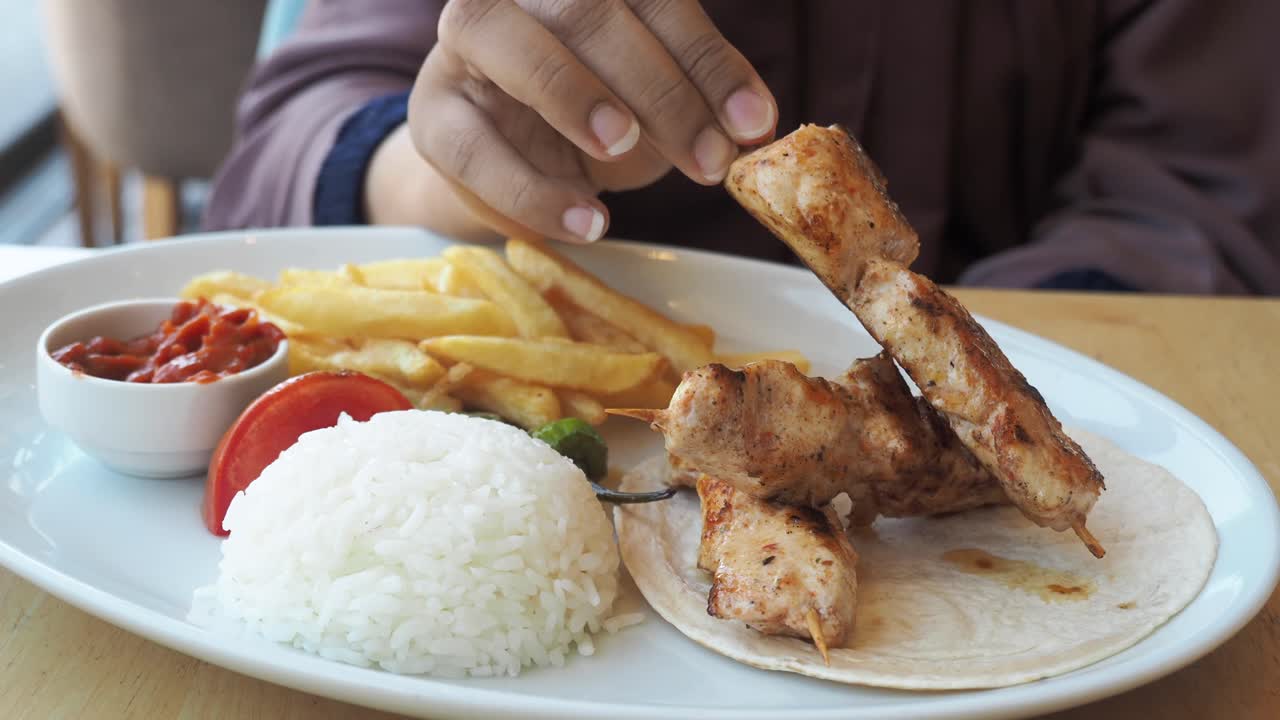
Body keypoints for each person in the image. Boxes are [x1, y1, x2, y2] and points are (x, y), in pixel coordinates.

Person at [204, 0, 1280, 295]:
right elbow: (285, 145)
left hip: (1053, 457)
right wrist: (459, 171)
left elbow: (1195, 201)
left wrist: (957, 381)